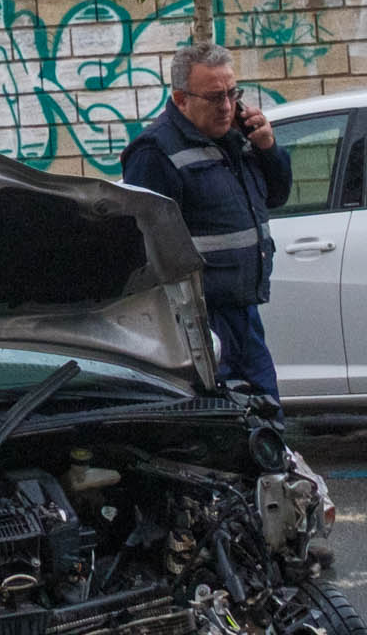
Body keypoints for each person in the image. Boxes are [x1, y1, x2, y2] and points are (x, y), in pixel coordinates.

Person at [119, 43, 293, 404]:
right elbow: (142, 247)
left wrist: (268, 148)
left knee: (266, 417)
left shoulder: (238, 137)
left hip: (243, 313)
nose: (227, 107)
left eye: (233, 94)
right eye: (215, 97)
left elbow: (275, 196)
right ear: (182, 99)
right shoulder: (155, 153)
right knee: (224, 426)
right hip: (197, 325)